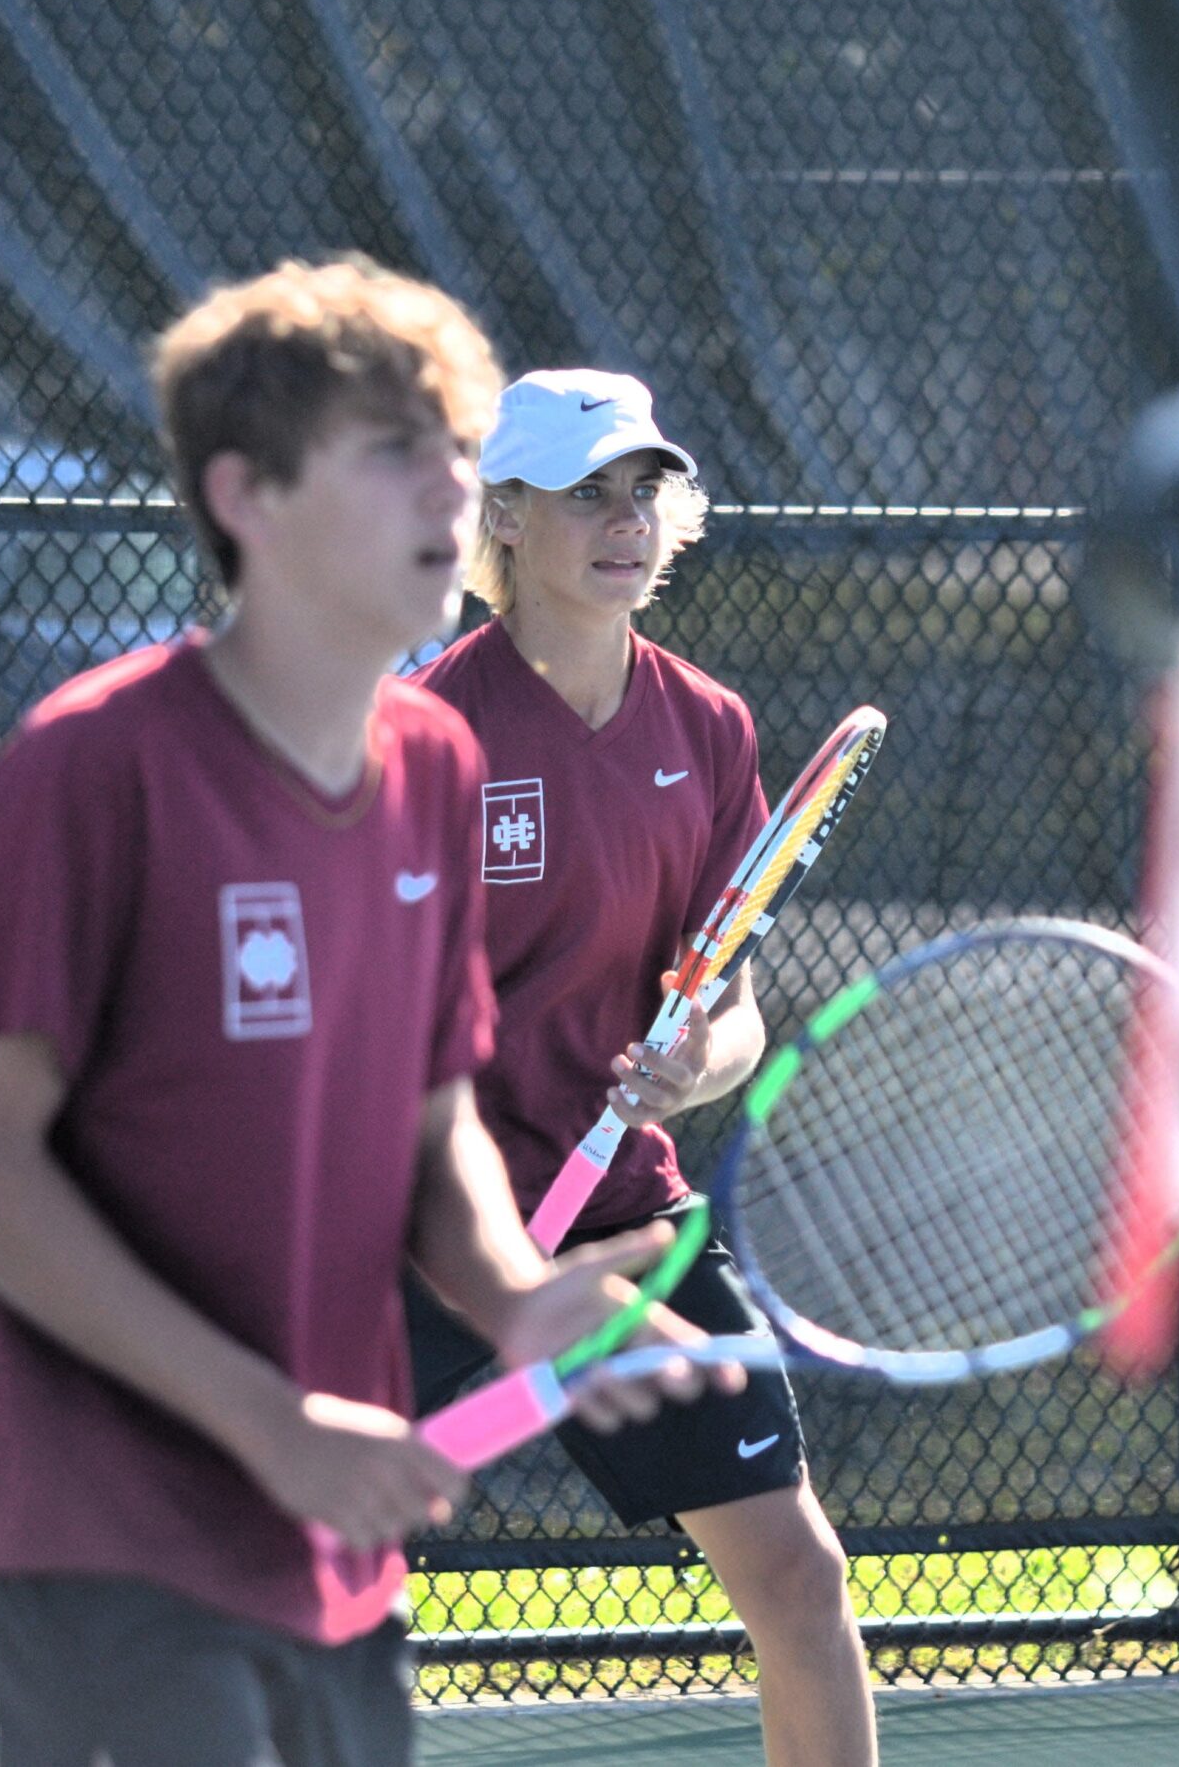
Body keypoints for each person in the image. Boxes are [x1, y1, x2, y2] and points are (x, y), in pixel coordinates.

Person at [0, 262, 736, 1767]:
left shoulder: (430, 767)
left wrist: (512, 1291)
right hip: (108, 1530)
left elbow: (428, 1122)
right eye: (395, 453)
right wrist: (263, 1414)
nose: (450, 486)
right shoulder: (92, 766)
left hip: (328, 1546)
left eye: (456, 450)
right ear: (249, 497)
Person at [407, 368, 878, 1766]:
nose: (626, 520)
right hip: (424, 1227)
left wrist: (693, 1068)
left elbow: (725, 1005)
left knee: (799, 1579)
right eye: (585, 494)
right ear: (503, 512)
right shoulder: (425, 735)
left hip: (626, 1226)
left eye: (644, 490)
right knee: (296, 1591)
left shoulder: (709, 728)